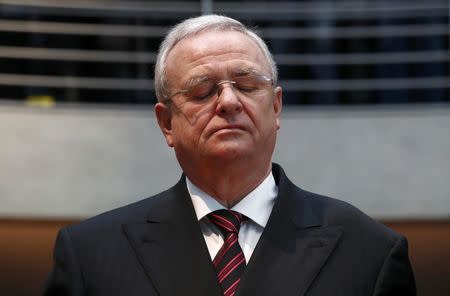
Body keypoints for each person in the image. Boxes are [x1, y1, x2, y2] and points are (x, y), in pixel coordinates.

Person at [44, 15, 416, 296]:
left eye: (247, 85)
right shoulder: (90, 255)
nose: (228, 101)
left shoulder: (369, 251)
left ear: (276, 106)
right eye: (203, 91)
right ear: (167, 123)